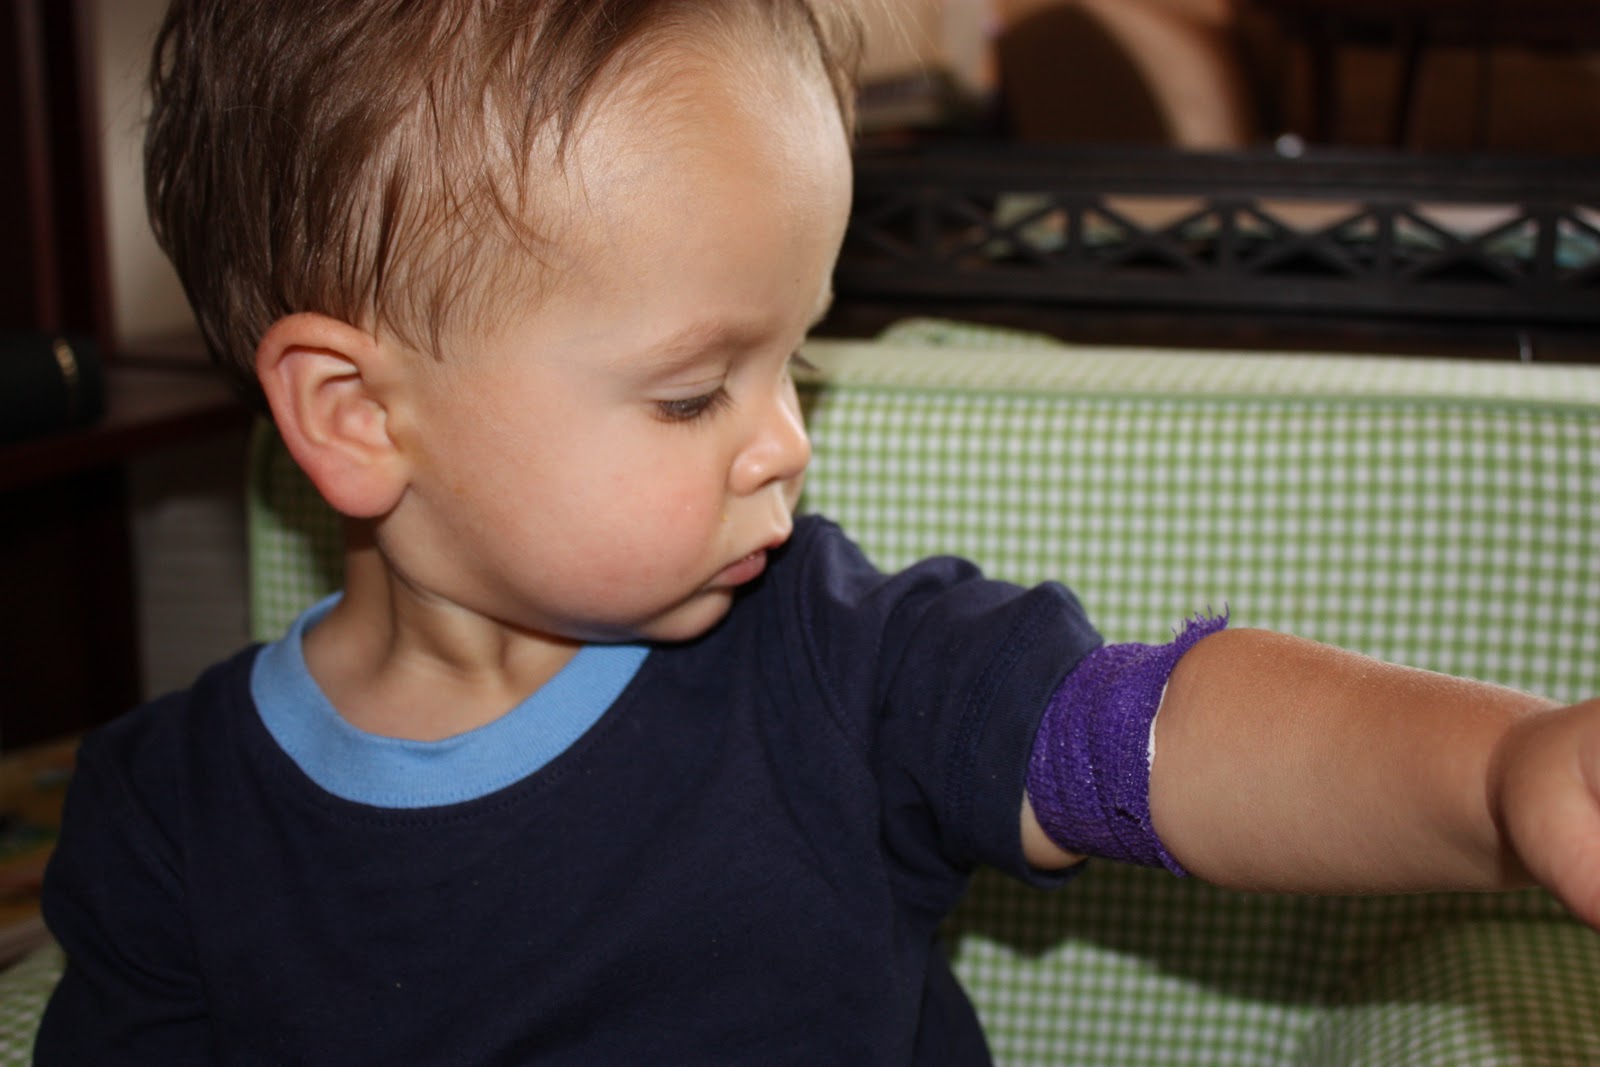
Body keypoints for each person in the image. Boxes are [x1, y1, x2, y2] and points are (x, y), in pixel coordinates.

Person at [36, 1, 1600, 1063]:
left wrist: (1496, 771)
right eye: (692, 394)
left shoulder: (833, 661)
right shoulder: (163, 828)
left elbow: (1156, 735)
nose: (786, 439)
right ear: (357, 415)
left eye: (799, 359)